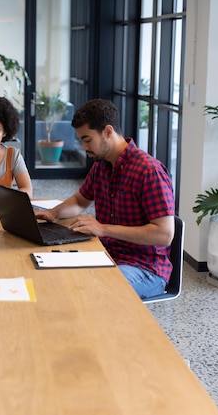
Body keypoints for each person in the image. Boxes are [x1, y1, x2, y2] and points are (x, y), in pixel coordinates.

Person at [35, 99, 175, 299]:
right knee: (55, 278)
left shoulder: (149, 171)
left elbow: (164, 234)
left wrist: (102, 228)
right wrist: (52, 213)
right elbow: (80, 201)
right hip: (107, 255)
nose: (83, 147)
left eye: (87, 139)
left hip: (145, 268)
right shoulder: (101, 165)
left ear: (108, 131)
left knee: (90, 291)